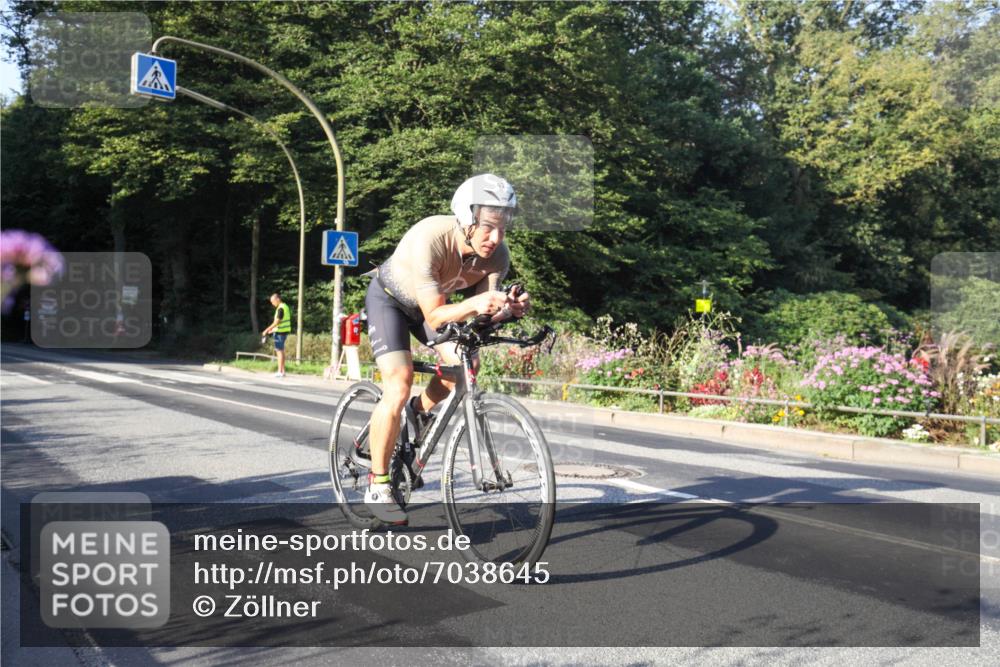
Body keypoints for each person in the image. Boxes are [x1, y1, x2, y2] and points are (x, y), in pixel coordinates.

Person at [363, 174, 530, 524]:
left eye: (502, 229)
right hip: (391, 302)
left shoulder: (497, 256)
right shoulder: (430, 239)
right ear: (466, 219)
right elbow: (436, 316)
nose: (495, 238)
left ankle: (419, 410)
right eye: (488, 227)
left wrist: (507, 310)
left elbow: (481, 319)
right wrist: (475, 303)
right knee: (399, 383)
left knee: (468, 364)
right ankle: (378, 483)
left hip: (436, 307)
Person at [261, 293, 292, 377]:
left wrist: (266, 330)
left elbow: (277, 322)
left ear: (278, 299)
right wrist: (272, 330)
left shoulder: (281, 308)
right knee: (281, 351)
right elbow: (281, 322)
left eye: (273, 301)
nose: (272, 303)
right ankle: (283, 371)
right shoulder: (284, 306)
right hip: (283, 331)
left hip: (280, 333)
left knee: (279, 351)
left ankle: (280, 371)